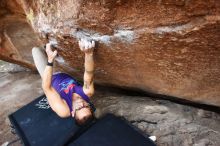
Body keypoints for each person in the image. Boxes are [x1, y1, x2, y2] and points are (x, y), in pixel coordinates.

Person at [32, 39, 96, 125]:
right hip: (63, 72)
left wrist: (50, 60)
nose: (81, 103)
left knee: (36, 50)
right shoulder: (87, 93)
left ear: (73, 113)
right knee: (54, 45)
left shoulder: (64, 110)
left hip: (48, 76)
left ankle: (46, 51)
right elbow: (89, 73)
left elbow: (47, 87)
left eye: (79, 108)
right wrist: (89, 54)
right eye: (86, 106)